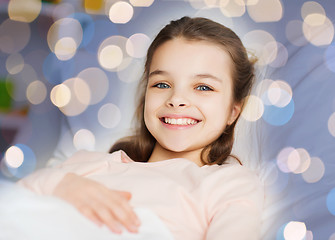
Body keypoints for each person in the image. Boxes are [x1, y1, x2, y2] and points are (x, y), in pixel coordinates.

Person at [18, 16, 263, 239]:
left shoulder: (227, 183)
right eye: (162, 84)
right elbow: (14, 206)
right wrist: (62, 183)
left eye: (203, 87)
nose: (176, 99)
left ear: (233, 111)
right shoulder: (86, 165)